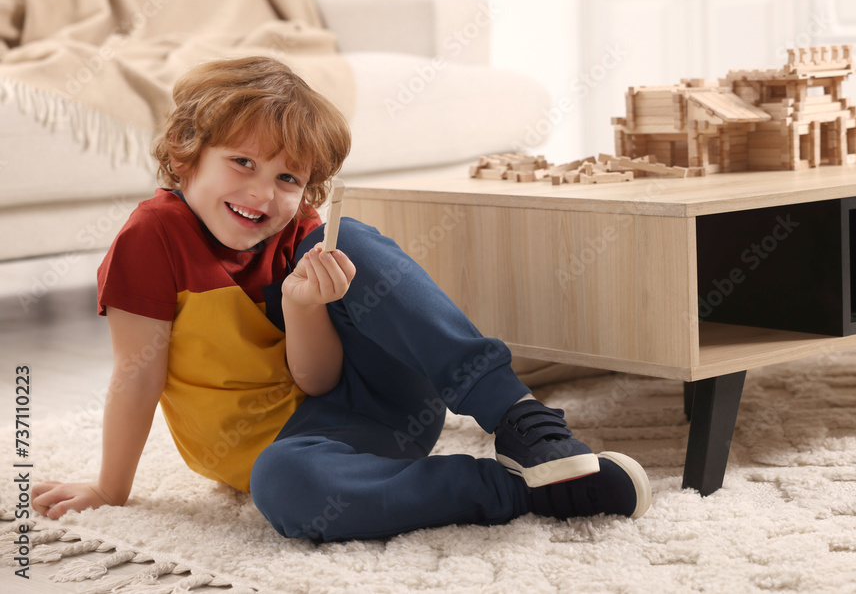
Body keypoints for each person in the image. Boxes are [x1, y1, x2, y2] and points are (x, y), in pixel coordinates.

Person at [31, 56, 650, 541]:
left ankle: (521, 420)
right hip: (306, 453)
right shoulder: (152, 236)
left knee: (347, 239)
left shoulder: (298, 231)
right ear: (184, 157)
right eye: (241, 161)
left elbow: (320, 378)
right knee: (286, 488)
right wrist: (111, 488)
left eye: (287, 178)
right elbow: (137, 375)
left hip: (385, 401)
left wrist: (305, 304)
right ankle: (525, 490)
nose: (261, 193)